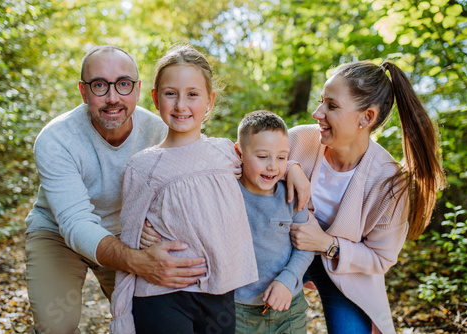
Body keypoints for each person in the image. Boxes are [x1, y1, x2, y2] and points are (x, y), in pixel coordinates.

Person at [25, 45, 209, 334]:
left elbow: (211, 163)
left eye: (123, 84)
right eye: (99, 85)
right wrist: (139, 262)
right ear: (83, 92)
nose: (113, 98)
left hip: (128, 232)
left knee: (148, 319)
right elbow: (75, 224)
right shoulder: (56, 139)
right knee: (54, 324)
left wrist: (290, 168)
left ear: (137, 90)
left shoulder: (159, 130)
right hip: (58, 233)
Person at [109, 44, 259, 334]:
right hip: (161, 293)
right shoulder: (142, 167)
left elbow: (268, 167)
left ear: (210, 100)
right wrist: (121, 316)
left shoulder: (226, 153)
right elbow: (129, 241)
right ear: (155, 98)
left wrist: (292, 169)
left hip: (219, 291)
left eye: (192, 94)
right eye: (170, 93)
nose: (180, 105)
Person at [288, 60, 445, 334]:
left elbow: (381, 258)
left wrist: (327, 244)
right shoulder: (299, 141)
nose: (317, 113)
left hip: (344, 271)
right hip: (283, 255)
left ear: (366, 117)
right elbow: (242, 158)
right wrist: (290, 167)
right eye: (321, 101)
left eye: (332, 106)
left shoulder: (388, 182)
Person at [233, 110, 314, 334]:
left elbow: (305, 247)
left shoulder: (293, 195)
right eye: (262, 157)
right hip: (238, 311)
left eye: (281, 157)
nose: (272, 166)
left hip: (289, 307)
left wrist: (288, 280)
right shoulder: (227, 193)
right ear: (239, 152)